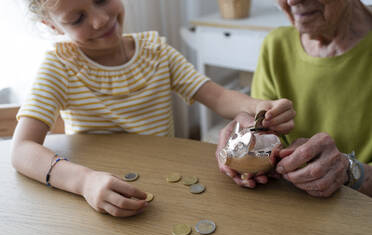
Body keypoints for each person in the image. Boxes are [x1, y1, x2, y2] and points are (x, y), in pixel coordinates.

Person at [11, 0, 296, 218]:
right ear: (53, 26)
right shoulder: (59, 67)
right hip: (97, 199)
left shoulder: (157, 51)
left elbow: (218, 96)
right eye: (77, 18)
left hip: (166, 190)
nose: (100, 20)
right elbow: (22, 149)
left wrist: (258, 106)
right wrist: (84, 181)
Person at [217, 0, 372, 197]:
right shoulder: (276, 45)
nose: (291, 1)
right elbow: (265, 136)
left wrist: (351, 171)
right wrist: (247, 146)